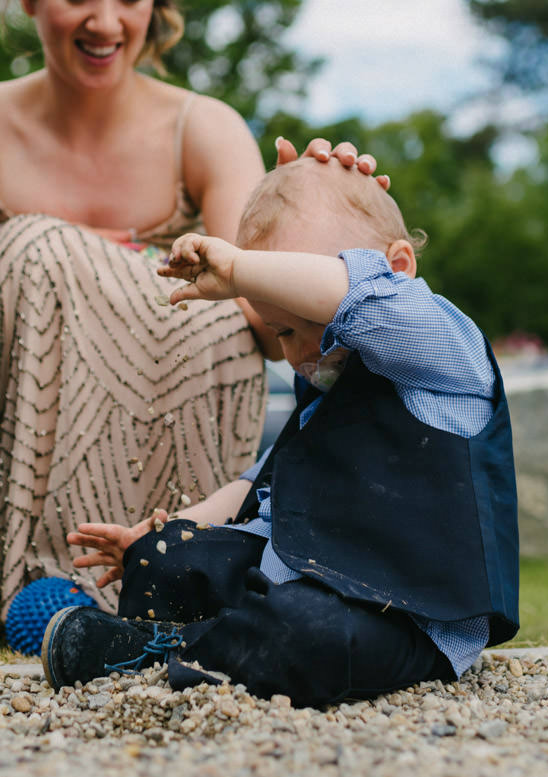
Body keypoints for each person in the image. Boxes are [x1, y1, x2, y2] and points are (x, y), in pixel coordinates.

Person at [0, 0, 384, 631]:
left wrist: (330, 213)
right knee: (41, 251)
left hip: (168, 437)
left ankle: (171, 566)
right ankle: (45, 584)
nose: (106, 22)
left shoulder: (206, 128)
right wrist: (57, 263)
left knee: (213, 302)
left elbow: (266, 326)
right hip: (3, 440)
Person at [42, 159, 519, 707]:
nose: (299, 350)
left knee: (305, 629)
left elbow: (359, 296)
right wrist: (167, 532)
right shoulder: (325, 396)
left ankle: (172, 650)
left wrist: (241, 268)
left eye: (307, 319)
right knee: (165, 556)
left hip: (405, 611)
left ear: (399, 268)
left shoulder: (441, 347)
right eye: (282, 331)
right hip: (298, 579)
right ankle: (178, 642)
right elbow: (257, 486)